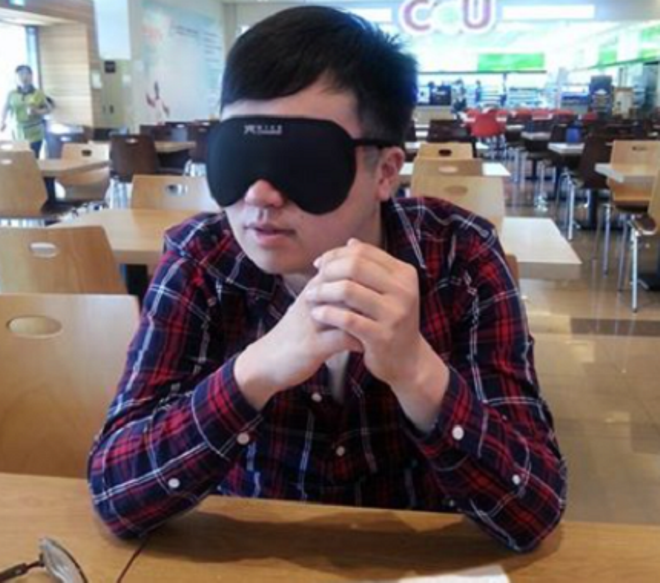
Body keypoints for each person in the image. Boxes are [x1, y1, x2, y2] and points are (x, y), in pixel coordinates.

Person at [88, 6, 566, 553]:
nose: (259, 195)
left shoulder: (461, 258)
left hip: (419, 562)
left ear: (385, 171)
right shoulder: (202, 260)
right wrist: (255, 372)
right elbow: (115, 494)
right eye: (239, 154)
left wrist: (418, 373)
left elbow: (533, 513)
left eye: (302, 161)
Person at [0, 64, 52, 157]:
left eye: (27, 74)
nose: (24, 77)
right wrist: (3, 122)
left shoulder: (38, 93)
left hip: (35, 133)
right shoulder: (12, 93)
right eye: (20, 74)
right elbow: (5, 108)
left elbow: (48, 109)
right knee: (19, 158)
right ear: (16, 77)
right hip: (17, 133)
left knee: (32, 158)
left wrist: (37, 112)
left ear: (31, 76)